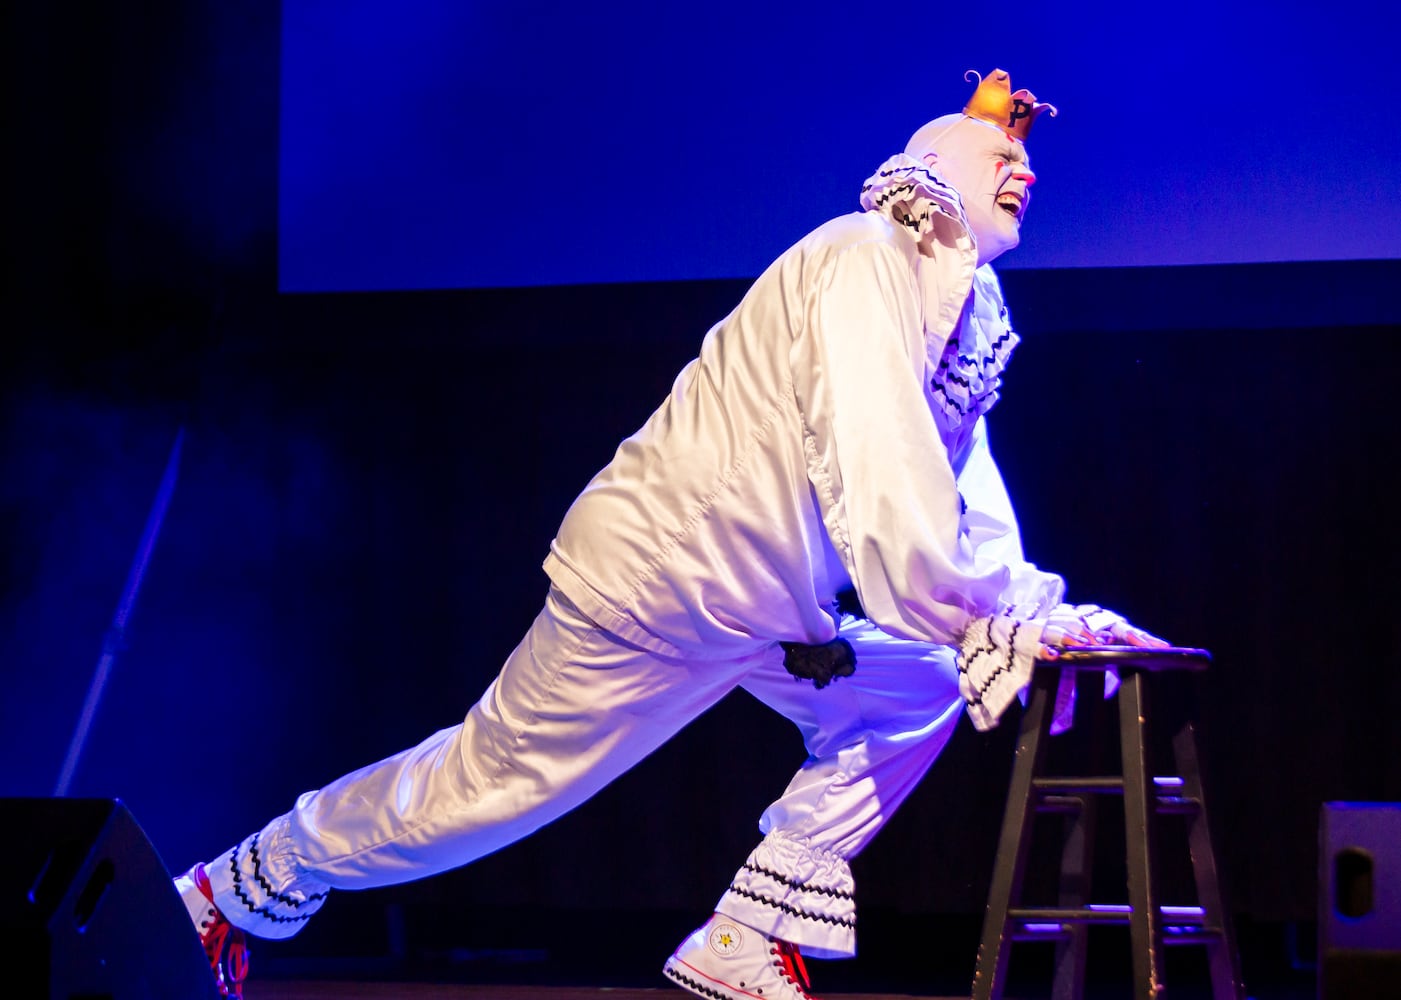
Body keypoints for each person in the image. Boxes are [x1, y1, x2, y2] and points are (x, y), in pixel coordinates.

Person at [175, 68, 1168, 1000]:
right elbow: (884, 466)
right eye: (1002, 160)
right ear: (941, 173)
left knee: (917, 690)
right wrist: (982, 619)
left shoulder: (960, 316)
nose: (1027, 172)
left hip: (759, 606)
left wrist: (1035, 608)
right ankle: (231, 886)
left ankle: (747, 933)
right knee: (477, 792)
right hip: (660, 581)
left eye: (1027, 160)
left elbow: (960, 483)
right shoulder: (862, 262)